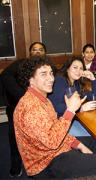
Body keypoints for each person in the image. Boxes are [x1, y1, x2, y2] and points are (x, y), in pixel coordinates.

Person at [14, 56, 96, 178]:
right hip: (46, 162)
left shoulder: (43, 99)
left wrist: (80, 145)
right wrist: (71, 110)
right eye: (43, 74)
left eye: (51, 73)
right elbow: (52, 142)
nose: (51, 78)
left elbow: (56, 129)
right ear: (30, 79)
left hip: (56, 148)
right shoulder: (31, 106)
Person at [1, 41, 47, 177]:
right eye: (34, 49)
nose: (37, 51)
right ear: (30, 53)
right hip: (17, 107)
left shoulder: (47, 66)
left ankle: (39, 162)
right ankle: (16, 164)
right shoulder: (21, 64)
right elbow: (5, 76)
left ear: (45, 53)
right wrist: (24, 97)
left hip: (38, 108)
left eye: (41, 49)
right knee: (14, 136)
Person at [48, 56, 96, 151]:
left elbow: (95, 97)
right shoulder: (60, 81)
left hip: (71, 121)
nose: (78, 71)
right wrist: (80, 108)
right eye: (75, 67)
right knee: (95, 139)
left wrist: (93, 80)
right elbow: (55, 107)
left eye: (81, 68)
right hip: (58, 126)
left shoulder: (76, 83)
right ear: (67, 68)